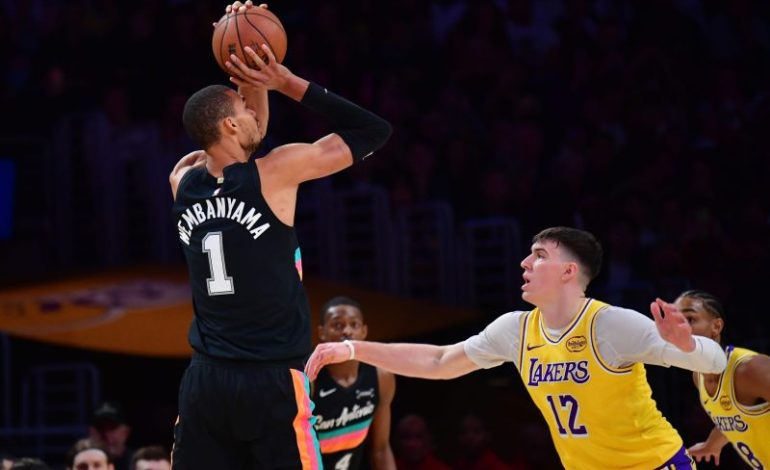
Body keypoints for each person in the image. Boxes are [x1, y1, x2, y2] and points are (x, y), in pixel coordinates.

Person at [169, 1, 392, 467]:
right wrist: (283, 80)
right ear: (231, 124)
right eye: (243, 111)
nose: (254, 114)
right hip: (272, 378)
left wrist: (248, 75)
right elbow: (372, 130)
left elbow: (240, 144)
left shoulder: (182, 180)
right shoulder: (277, 173)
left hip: (206, 382)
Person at [307, 226, 728, 470]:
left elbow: (715, 362)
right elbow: (439, 360)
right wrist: (355, 349)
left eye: (538, 256)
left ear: (568, 271)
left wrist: (689, 345)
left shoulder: (610, 324)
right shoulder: (516, 329)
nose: (525, 263)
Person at [675, 290, 770, 468]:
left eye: (689, 319)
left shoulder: (750, 369)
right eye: (674, 321)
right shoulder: (699, 376)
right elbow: (734, 418)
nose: (678, 328)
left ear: (716, 327)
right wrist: (712, 444)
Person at [312, 296, 396, 470]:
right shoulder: (309, 379)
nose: (347, 331)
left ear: (364, 332)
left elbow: (381, 449)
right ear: (321, 332)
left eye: (354, 324)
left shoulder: (381, 376)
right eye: (337, 325)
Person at [88, 401, 132, 470]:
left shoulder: (138, 464)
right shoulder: (81, 462)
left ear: (126, 432)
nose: (106, 434)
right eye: (100, 428)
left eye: (112, 427)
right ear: (90, 431)